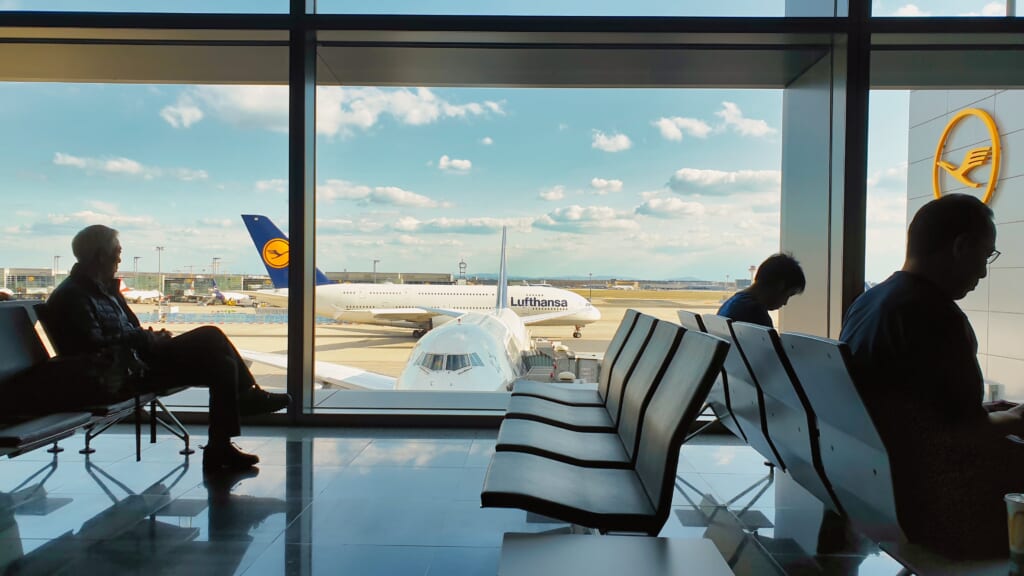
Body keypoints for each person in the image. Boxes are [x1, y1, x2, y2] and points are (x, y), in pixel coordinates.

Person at [840, 193, 1023, 558]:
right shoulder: (936, 317)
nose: (984, 272)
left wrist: (990, 412)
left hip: (880, 488)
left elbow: (913, 412)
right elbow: (962, 436)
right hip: (939, 507)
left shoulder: (872, 303)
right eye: (985, 256)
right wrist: (1015, 417)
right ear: (961, 246)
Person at [45, 224, 291, 472]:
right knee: (210, 336)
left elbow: (121, 331)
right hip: (118, 374)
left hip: (133, 363)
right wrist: (148, 339)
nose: (120, 258)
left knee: (222, 363)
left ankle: (224, 439)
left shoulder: (98, 290)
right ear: (100, 256)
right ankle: (242, 406)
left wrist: (149, 337)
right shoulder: (75, 296)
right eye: (117, 252)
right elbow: (94, 344)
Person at [717, 253, 805, 327]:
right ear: (780, 286)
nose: (785, 303)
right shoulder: (754, 313)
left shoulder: (731, 304)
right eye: (788, 295)